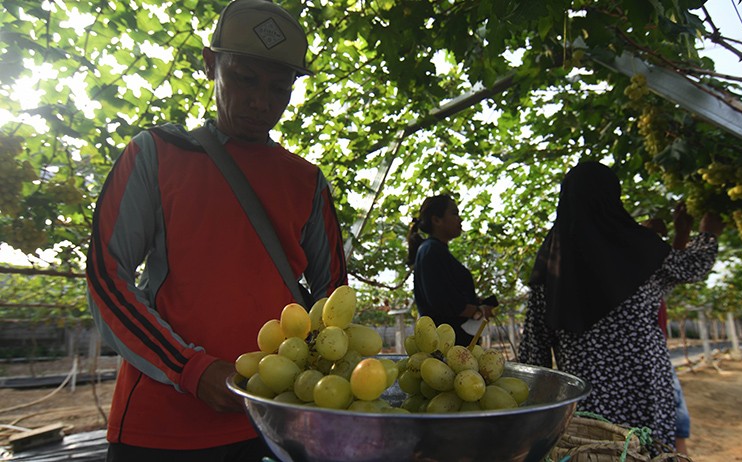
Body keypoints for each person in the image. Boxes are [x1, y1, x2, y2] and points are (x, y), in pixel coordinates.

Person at [85, 1, 348, 460]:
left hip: (275, 425)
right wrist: (188, 368)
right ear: (210, 65)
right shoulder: (155, 154)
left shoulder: (307, 182)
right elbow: (107, 280)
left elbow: (335, 294)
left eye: (279, 88)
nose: (261, 101)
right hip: (162, 429)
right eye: (245, 78)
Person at [517, 161, 723, 448]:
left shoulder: (552, 262)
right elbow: (691, 266)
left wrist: (530, 418)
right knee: (647, 452)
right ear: (613, 198)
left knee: (600, 453)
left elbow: (534, 351)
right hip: (646, 387)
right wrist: (707, 234)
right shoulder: (639, 248)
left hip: (588, 401)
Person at [407, 194, 498, 347]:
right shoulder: (431, 251)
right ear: (436, 220)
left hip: (452, 344)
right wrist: (477, 311)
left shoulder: (434, 250)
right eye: (455, 214)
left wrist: (476, 304)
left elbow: (448, 295)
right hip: (446, 346)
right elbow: (442, 302)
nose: (460, 219)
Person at [641, 214, 692, 455]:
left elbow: (672, 268)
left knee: (677, 424)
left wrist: (681, 236)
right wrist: (705, 235)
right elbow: (685, 266)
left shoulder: (652, 281)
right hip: (652, 364)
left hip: (658, 360)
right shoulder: (639, 279)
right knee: (674, 423)